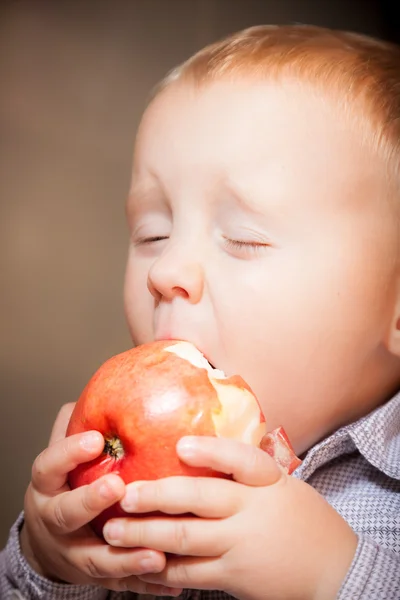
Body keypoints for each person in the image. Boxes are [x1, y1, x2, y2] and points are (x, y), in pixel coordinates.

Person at [1, 23, 399, 600]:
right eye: (153, 233)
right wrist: (50, 561)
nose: (166, 273)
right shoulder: (128, 488)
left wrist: (331, 576)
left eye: (244, 239)